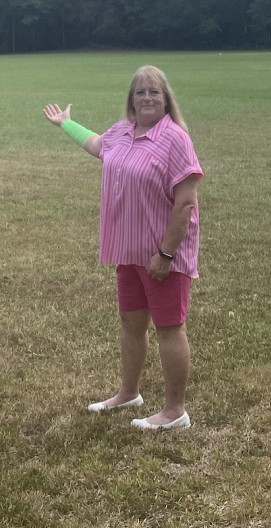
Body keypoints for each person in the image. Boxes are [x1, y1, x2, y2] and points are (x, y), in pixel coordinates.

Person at [43, 65, 203, 431]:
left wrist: (165, 254)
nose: (146, 98)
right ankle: (128, 393)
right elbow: (99, 145)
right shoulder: (123, 132)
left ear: (166, 100)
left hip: (162, 256)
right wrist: (67, 124)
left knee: (169, 328)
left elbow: (185, 204)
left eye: (154, 92)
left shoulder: (175, 139)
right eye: (140, 93)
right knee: (132, 325)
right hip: (128, 252)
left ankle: (174, 411)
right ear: (131, 100)